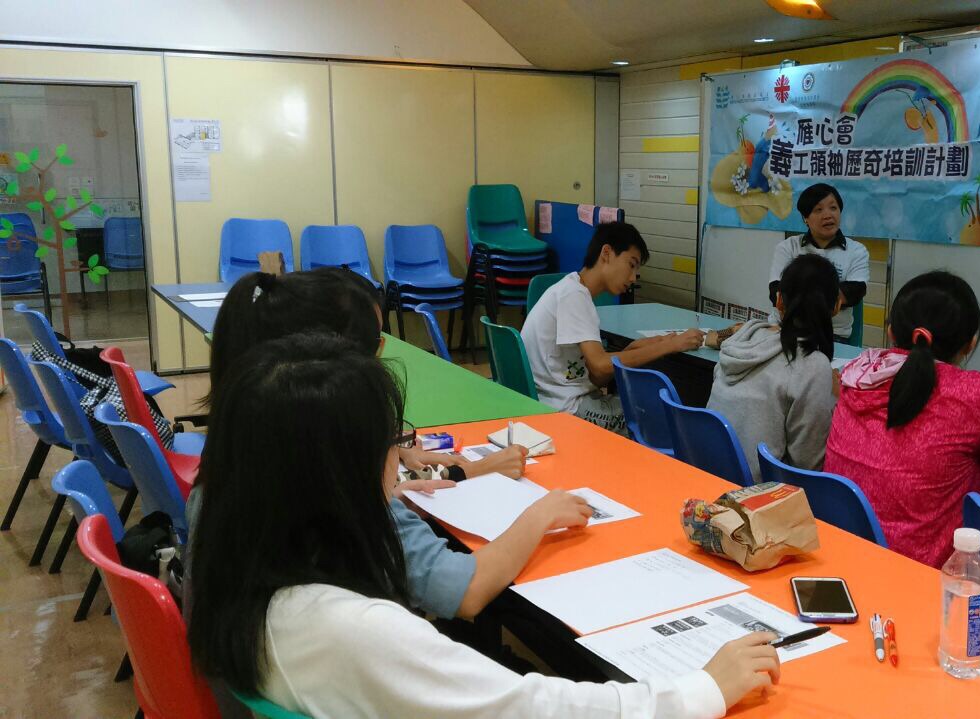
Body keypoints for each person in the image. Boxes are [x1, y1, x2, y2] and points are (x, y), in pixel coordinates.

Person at [188, 334, 782, 718]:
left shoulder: (242, 567)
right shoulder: (356, 632)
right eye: (391, 443)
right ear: (337, 475)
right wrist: (704, 688)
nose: (400, 459)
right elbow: (530, 708)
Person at [195, 268, 543, 621]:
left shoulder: (234, 457)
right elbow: (461, 590)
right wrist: (541, 514)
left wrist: (391, 496)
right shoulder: (347, 500)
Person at [824, 270, 980, 567]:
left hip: (845, 553)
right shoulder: (974, 395)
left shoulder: (856, 377)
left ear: (891, 332)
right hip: (928, 573)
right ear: (971, 343)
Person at [521, 222, 703, 434]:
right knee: (659, 414)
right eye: (631, 265)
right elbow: (600, 366)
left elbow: (596, 376)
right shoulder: (574, 296)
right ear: (606, 253)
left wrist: (631, 350)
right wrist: (670, 345)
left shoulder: (571, 289)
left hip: (557, 401)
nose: (633, 277)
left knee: (645, 405)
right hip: (566, 410)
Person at [707, 254, 840, 483]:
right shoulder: (813, 365)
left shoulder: (742, 338)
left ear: (779, 300)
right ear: (836, 306)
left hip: (706, 472)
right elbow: (807, 466)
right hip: (758, 493)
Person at [768, 183, 870, 344]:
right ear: (805, 218)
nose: (828, 215)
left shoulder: (856, 250)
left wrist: (798, 296)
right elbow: (776, 290)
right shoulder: (787, 247)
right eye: (818, 210)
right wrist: (830, 296)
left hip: (832, 335)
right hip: (784, 329)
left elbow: (855, 291)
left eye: (833, 208)